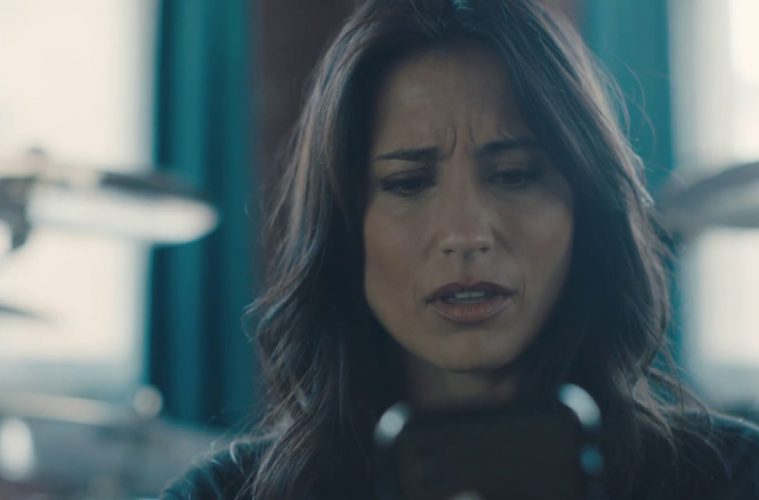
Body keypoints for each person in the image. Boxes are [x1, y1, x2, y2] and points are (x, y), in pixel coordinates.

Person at [161, 0, 759, 498]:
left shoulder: (729, 477)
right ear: (346, 230)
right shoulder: (226, 494)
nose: (467, 234)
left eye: (514, 175)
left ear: (586, 207)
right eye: (407, 184)